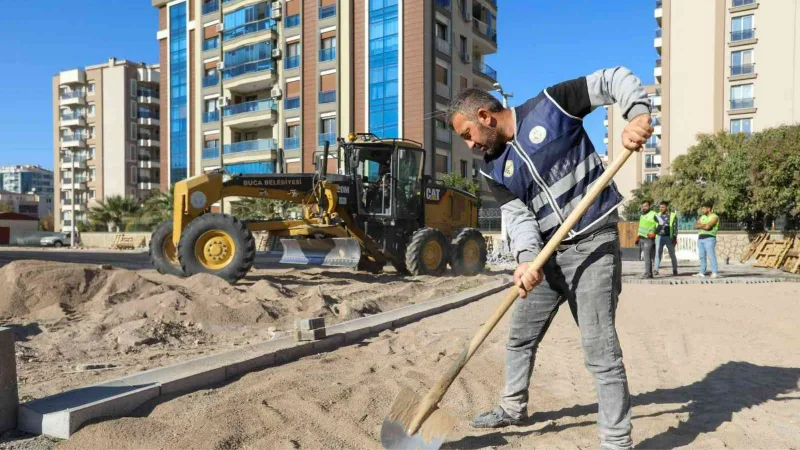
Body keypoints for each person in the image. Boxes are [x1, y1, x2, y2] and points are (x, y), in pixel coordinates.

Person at [449, 66, 652, 450]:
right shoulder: (492, 170)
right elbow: (519, 218)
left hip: (593, 243)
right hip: (547, 257)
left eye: (467, 135)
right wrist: (526, 260)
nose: (470, 145)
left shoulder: (552, 105)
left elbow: (613, 80)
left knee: (599, 348)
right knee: (519, 337)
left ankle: (616, 441)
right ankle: (512, 408)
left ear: (484, 117)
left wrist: (636, 113)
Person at [694, 201, 719, 278]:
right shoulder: (703, 217)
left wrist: (701, 225)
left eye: (703, 209)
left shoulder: (714, 217)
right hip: (700, 238)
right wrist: (704, 225)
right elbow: (695, 225)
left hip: (710, 238)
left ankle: (714, 272)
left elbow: (708, 227)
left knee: (711, 256)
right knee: (702, 256)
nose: (702, 210)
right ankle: (702, 272)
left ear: (709, 208)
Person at [654, 200, 678, 276]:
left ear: (667, 207)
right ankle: (656, 270)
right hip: (659, 237)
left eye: (663, 207)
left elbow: (675, 227)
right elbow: (654, 225)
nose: (661, 208)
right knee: (658, 254)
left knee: (672, 255)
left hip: (669, 237)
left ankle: (675, 270)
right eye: (660, 207)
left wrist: (674, 237)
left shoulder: (672, 215)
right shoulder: (657, 215)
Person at [636, 200, 657, 278]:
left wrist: (655, 233)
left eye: (646, 206)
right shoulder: (642, 215)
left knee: (647, 256)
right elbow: (641, 227)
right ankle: (649, 273)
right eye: (643, 206)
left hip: (648, 239)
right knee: (646, 256)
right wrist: (637, 237)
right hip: (642, 238)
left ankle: (648, 273)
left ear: (650, 206)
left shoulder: (654, 214)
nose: (644, 207)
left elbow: (662, 223)